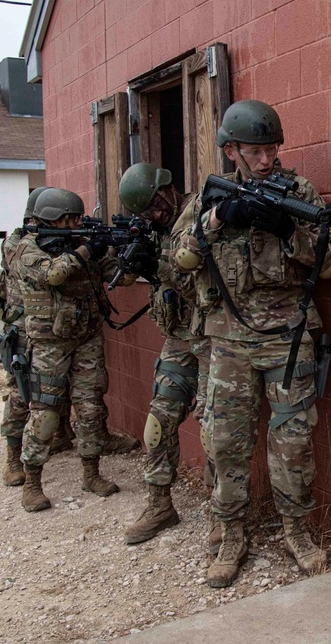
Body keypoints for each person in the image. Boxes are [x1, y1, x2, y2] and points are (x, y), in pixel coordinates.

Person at [171, 99, 331, 587]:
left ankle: (297, 531)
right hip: (227, 340)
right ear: (231, 152)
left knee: (293, 441)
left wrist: (289, 231)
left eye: (272, 150)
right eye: (255, 151)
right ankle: (230, 533)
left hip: (288, 339)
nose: (267, 160)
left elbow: (330, 264)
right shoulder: (210, 198)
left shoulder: (298, 191)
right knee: (225, 443)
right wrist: (220, 218)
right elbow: (179, 260)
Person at [12, 188, 136, 512]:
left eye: (78, 218)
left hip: (87, 338)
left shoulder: (79, 248)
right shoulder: (28, 248)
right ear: (53, 219)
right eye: (70, 219)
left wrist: (129, 254)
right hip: (50, 343)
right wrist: (85, 251)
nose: (76, 223)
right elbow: (53, 275)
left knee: (90, 406)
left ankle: (92, 473)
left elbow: (120, 277)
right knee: (46, 413)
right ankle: (32, 483)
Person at [117, 162, 210, 545]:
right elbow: (122, 278)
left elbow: (200, 283)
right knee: (158, 422)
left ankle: (224, 517)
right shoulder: (156, 230)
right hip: (177, 339)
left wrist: (159, 266)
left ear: (168, 187)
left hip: (211, 337)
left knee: (214, 429)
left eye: (157, 205)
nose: (156, 214)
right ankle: (159, 505)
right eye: (147, 211)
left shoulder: (201, 213)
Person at [0, 186, 46, 487]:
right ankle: (12, 457)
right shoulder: (17, 244)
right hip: (21, 330)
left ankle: (60, 436)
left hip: (45, 327)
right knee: (20, 394)